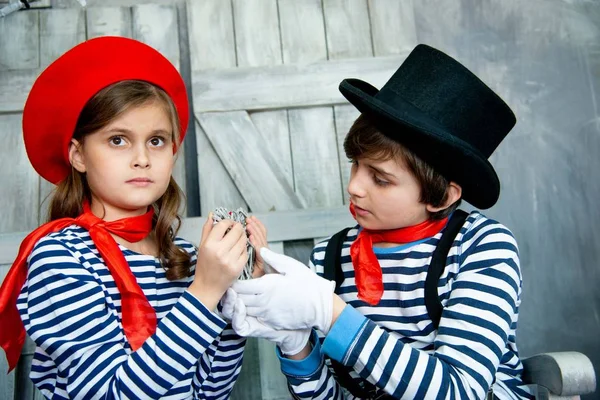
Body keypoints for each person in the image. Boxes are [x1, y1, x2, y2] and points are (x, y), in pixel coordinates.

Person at [225, 44, 533, 399]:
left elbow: (458, 391)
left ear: (442, 196)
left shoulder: (482, 247)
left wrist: (330, 313)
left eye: (381, 179)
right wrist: (297, 347)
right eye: (355, 164)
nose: (354, 187)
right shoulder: (329, 258)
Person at [0, 36, 267, 399]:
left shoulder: (186, 258)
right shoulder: (60, 258)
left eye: (156, 140)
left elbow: (209, 392)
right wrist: (204, 292)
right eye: (118, 140)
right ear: (78, 155)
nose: (142, 158)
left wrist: (232, 296)